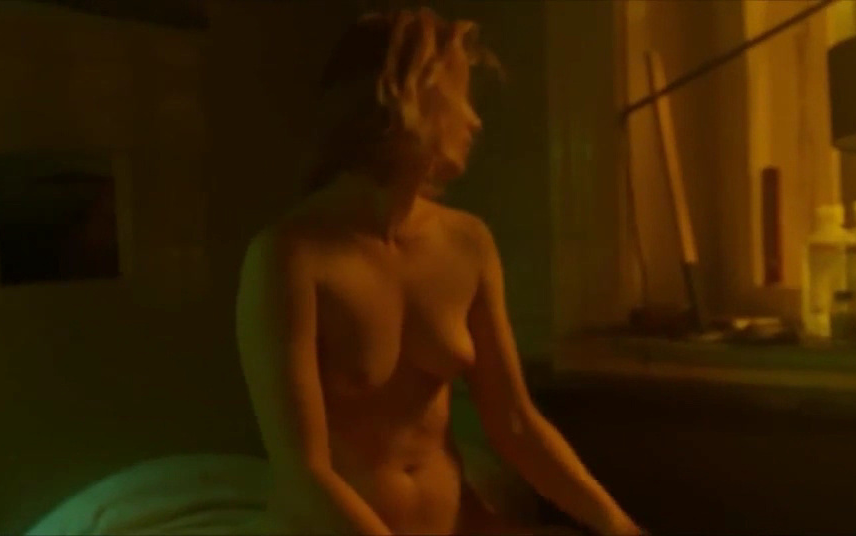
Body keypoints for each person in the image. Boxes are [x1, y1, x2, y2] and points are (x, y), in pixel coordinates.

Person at [235, 8, 643, 536]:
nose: (474, 120)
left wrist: (617, 525)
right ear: (404, 100)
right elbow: (304, 475)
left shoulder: (467, 243)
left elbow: (515, 424)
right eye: (459, 97)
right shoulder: (290, 257)